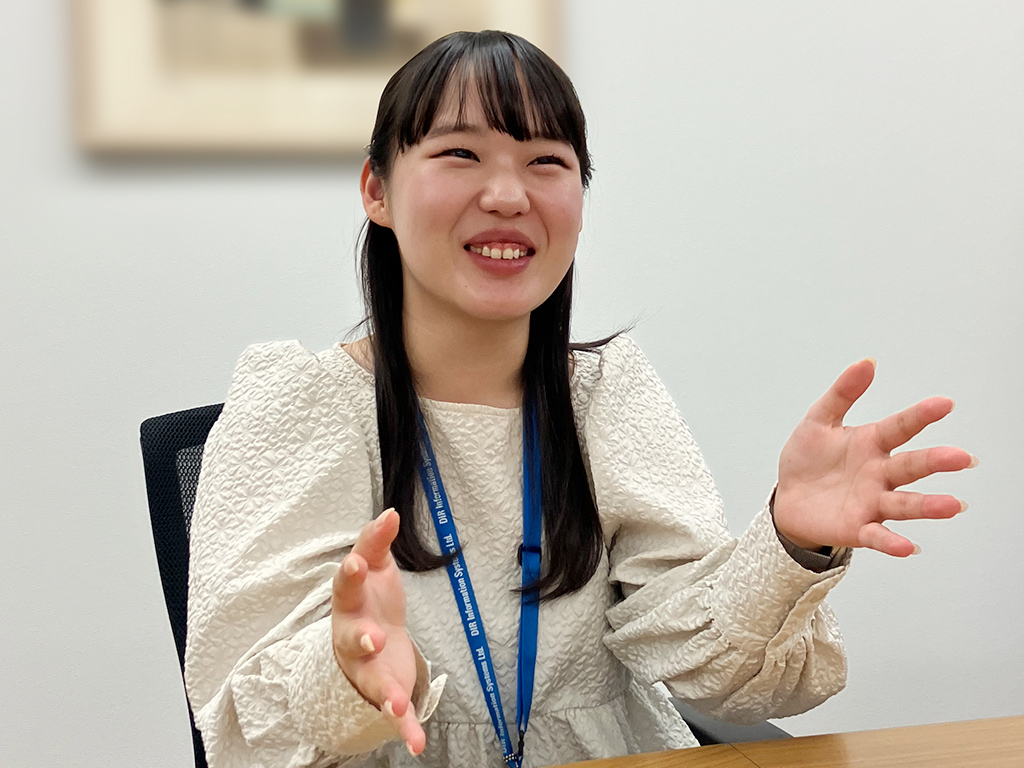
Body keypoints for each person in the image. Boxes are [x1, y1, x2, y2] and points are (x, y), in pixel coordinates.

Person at [184, 30, 975, 768]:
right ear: (377, 190)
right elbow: (243, 720)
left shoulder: (605, 395)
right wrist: (348, 672)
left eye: (546, 162)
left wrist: (790, 544)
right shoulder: (302, 404)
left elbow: (718, 670)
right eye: (461, 153)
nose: (507, 195)